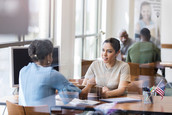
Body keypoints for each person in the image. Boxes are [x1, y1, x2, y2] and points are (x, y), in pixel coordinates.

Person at [19, 40, 93, 107]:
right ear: (48, 56)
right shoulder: (51, 74)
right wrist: (89, 85)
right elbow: (80, 96)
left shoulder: (23, 71)